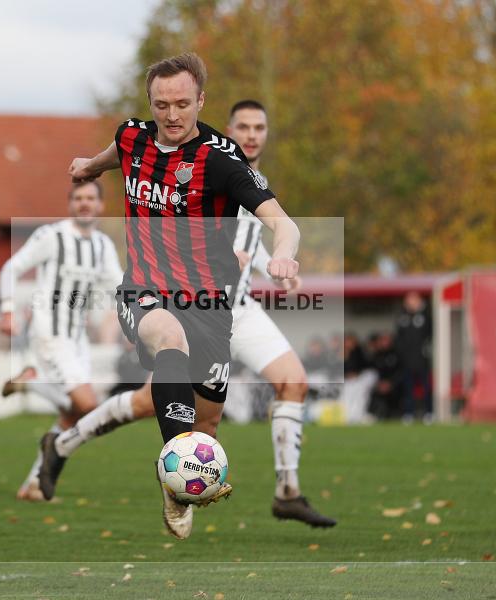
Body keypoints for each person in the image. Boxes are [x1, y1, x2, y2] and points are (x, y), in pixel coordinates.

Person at [40, 99, 334, 532]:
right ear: (223, 129)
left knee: (284, 387)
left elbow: (264, 236)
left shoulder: (253, 182)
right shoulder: (203, 163)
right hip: (183, 303)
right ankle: (64, 443)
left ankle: (287, 491)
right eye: (243, 127)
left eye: (259, 127)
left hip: (236, 309)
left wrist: (280, 264)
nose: (251, 135)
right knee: (149, 401)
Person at [0, 180, 123, 501]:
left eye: (90, 199)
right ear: (70, 204)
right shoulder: (52, 236)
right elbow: (11, 268)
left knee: (73, 415)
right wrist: (8, 310)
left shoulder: (102, 246)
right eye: (78, 198)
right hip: (49, 332)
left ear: (100, 206)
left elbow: (121, 287)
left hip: (76, 338)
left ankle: (34, 485)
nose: (84, 204)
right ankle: (33, 380)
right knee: (89, 406)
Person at [395, 291, 432, 423]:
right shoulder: (402, 317)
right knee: (408, 388)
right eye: (409, 300)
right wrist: (401, 354)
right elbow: (398, 338)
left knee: (426, 387)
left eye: (414, 300)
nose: (411, 303)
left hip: (422, 360)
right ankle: (408, 414)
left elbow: (431, 333)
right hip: (407, 361)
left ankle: (429, 413)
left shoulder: (425, 315)